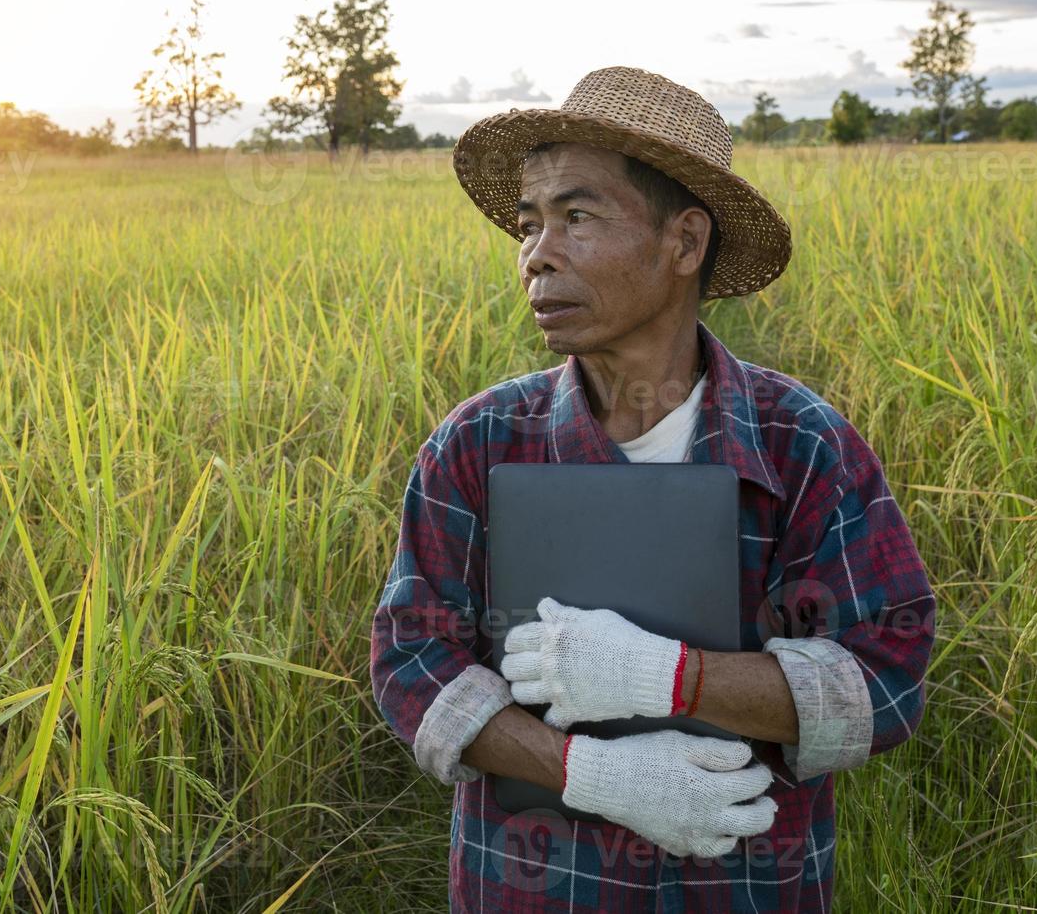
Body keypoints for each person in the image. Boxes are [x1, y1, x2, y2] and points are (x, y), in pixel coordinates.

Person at [368, 66, 936, 912]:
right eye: (530, 225)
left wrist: (665, 677)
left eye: (578, 217)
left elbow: (884, 680)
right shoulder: (478, 444)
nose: (537, 255)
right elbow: (413, 662)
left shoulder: (803, 446)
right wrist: (589, 773)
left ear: (685, 243)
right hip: (536, 887)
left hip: (743, 887)